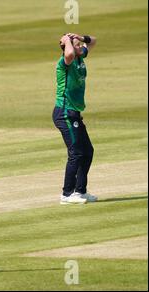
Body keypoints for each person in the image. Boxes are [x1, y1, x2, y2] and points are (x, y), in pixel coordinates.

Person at [53, 33, 98, 205]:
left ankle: (80, 191)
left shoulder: (80, 56)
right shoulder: (65, 62)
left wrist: (81, 37)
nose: (81, 47)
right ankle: (66, 194)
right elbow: (69, 54)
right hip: (64, 113)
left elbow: (94, 41)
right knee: (76, 153)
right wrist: (66, 41)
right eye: (77, 45)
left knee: (87, 151)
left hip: (74, 113)